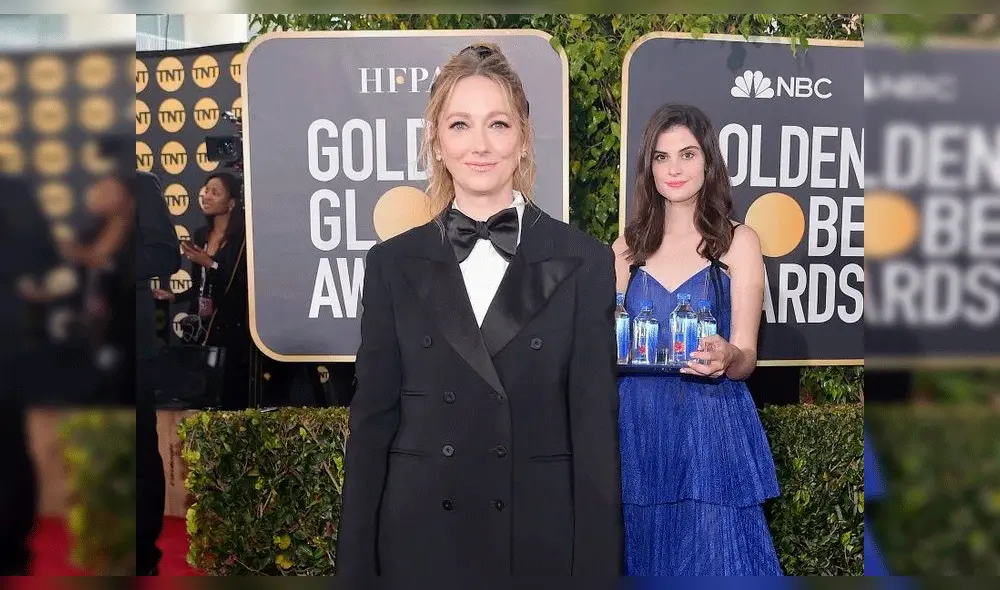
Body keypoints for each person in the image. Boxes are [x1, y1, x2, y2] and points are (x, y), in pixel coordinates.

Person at [336, 43, 623, 577]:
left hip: (536, 540)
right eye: (460, 125)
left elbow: (594, 433)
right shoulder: (391, 264)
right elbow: (371, 424)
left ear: (523, 139)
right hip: (420, 537)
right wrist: (355, 568)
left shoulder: (584, 261)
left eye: (498, 124)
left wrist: (598, 571)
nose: (481, 145)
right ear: (437, 142)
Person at [614, 104, 782, 575]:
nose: (674, 168)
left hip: (712, 430)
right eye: (661, 157)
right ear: (648, 167)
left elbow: (747, 356)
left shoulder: (738, 241)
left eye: (687, 154)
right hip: (639, 431)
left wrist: (728, 353)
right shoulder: (625, 250)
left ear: (707, 162)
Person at [0, 172, 60, 575]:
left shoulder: (13, 191)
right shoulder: (15, 191)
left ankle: (11, 548)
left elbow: (43, 257)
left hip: (6, 332)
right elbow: (44, 257)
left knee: (8, 441)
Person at [177, 171, 249, 410]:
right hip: (199, 329)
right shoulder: (200, 235)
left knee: (227, 397)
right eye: (206, 190)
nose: (206, 196)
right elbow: (200, 286)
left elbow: (238, 287)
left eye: (215, 192)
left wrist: (211, 263)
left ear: (231, 204)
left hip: (230, 331)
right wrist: (173, 296)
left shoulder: (242, 241)